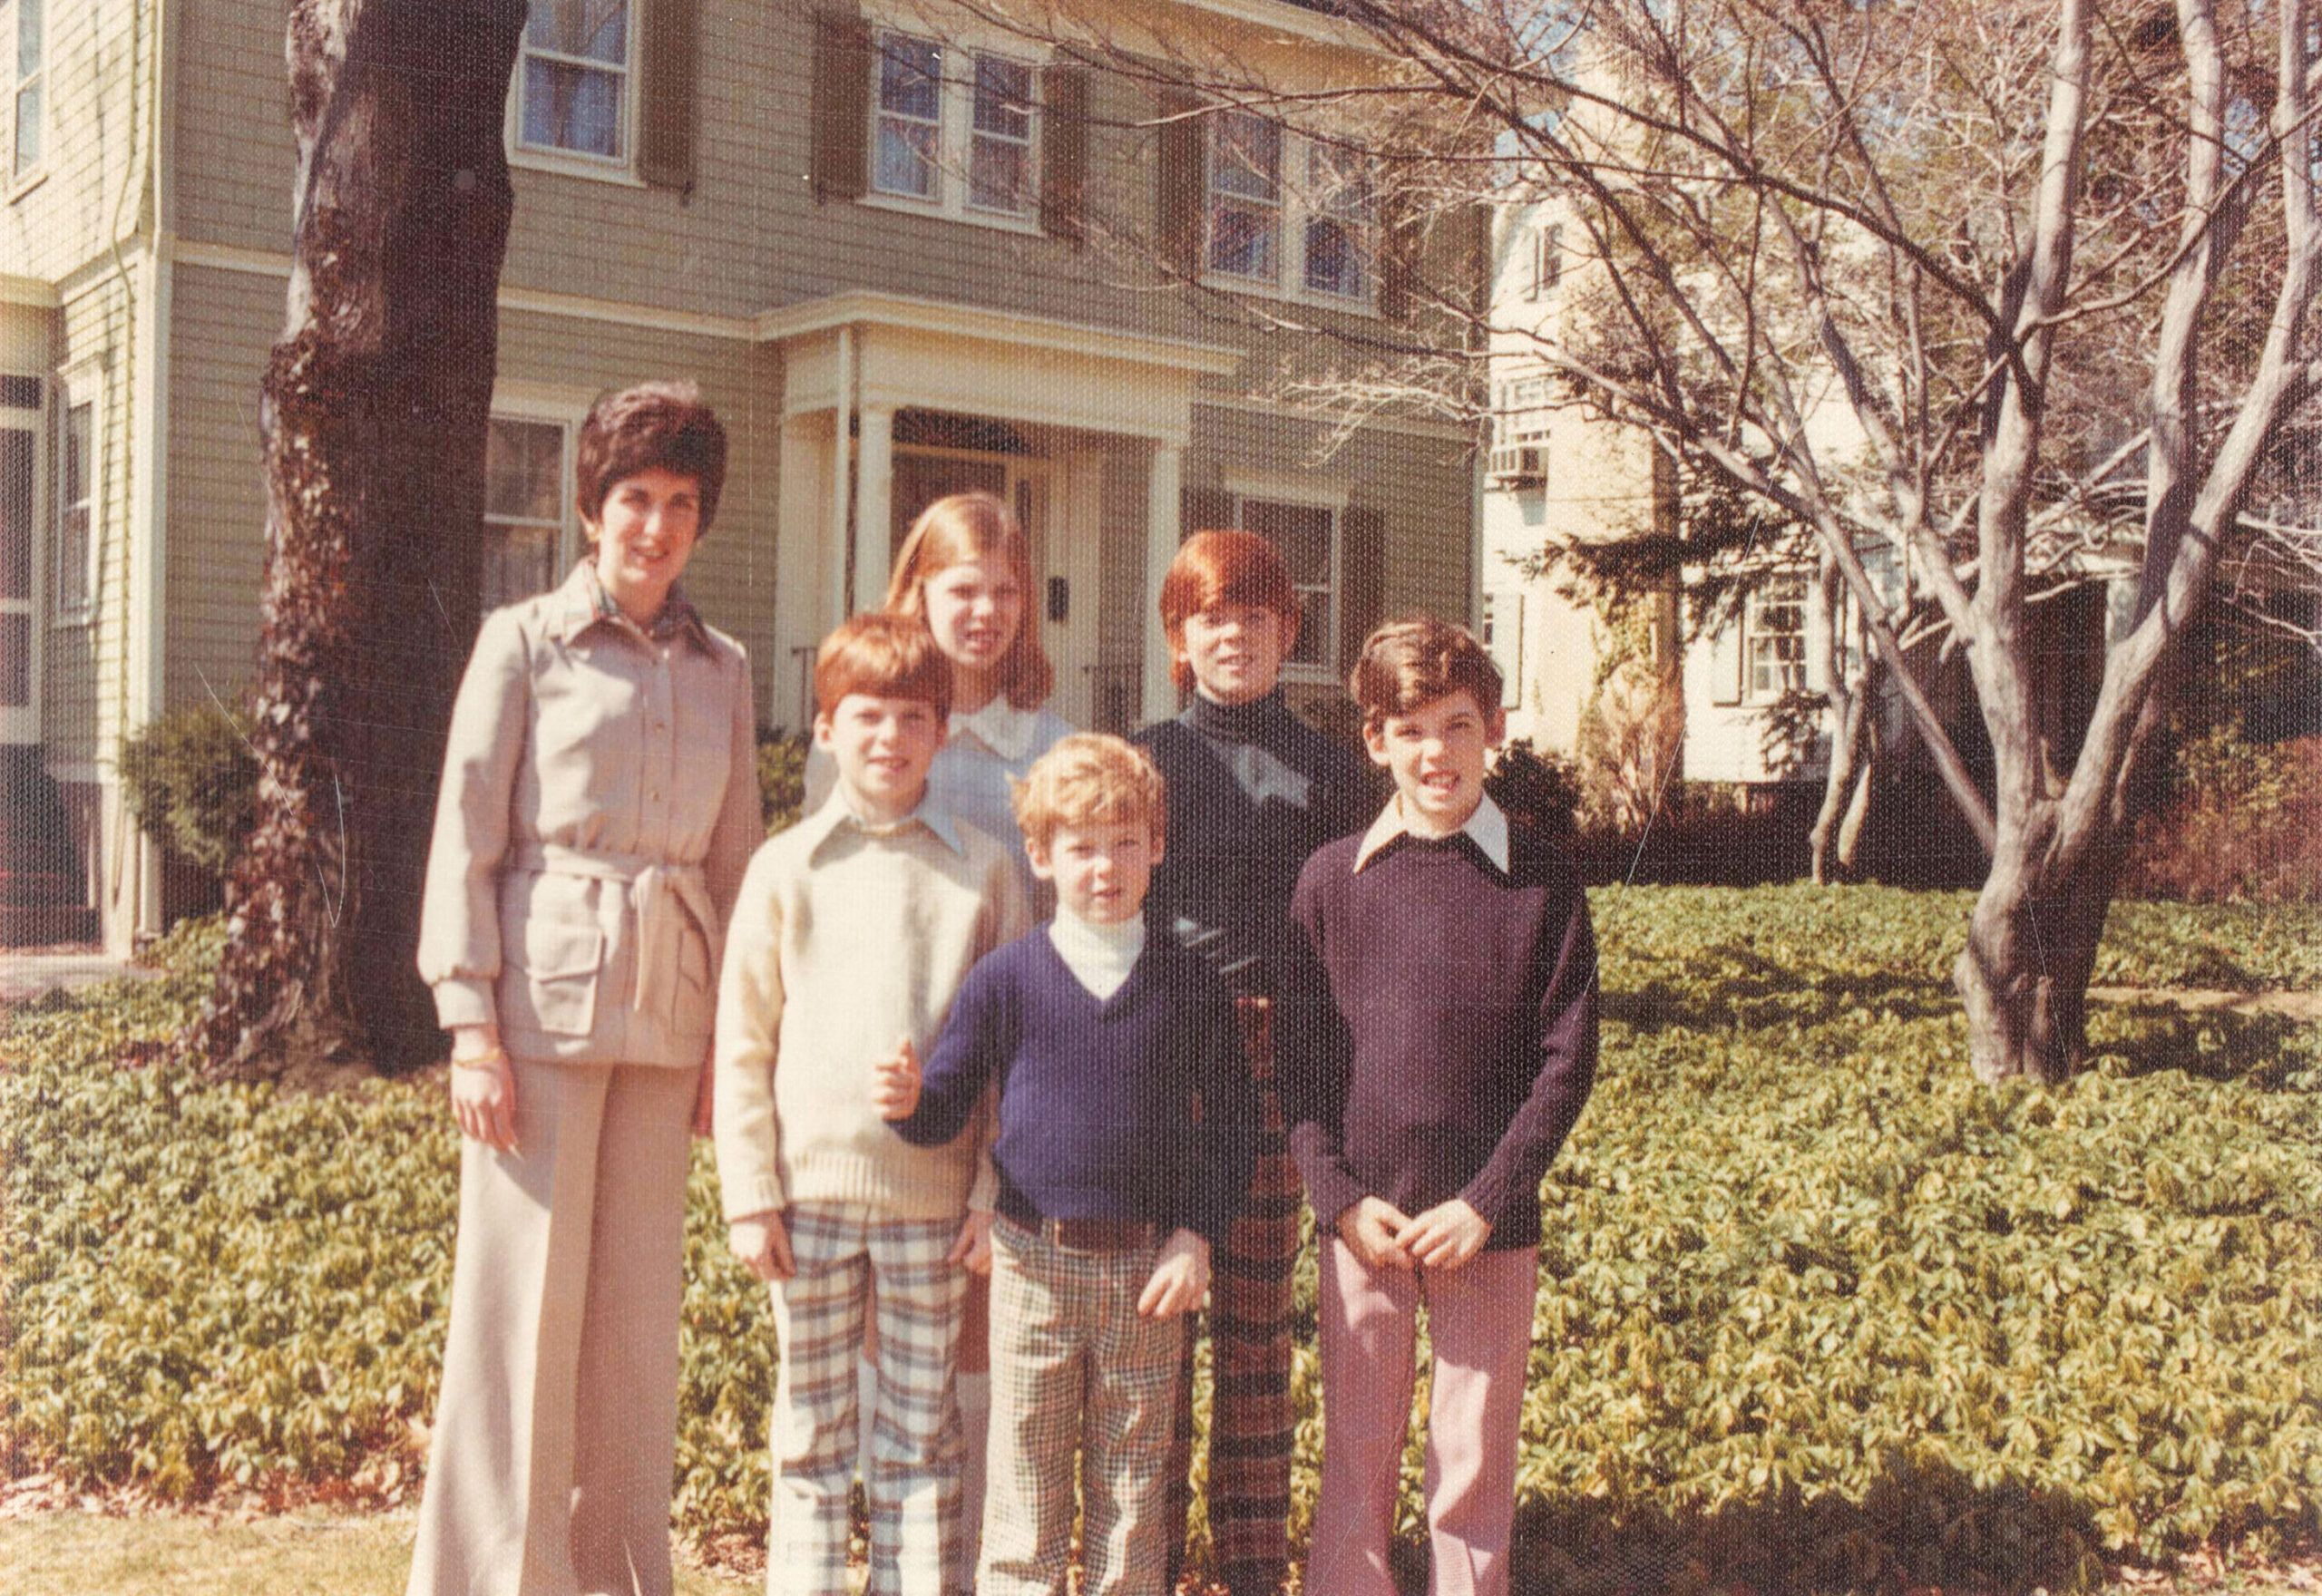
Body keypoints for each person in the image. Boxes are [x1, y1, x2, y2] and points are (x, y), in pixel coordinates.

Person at [409, 381, 760, 1596]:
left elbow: (737, 865)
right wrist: (470, 1028)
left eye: (677, 504)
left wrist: (731, 1048)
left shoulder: (725, 668)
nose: (653, 526)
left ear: (700, 522)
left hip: (668, 1022)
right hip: (536, 1018)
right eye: (632, 500)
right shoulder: (521, 643)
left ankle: (618, 1580)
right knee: (521, 1325)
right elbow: (466, 839)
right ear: (590, 508)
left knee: (630, 1335)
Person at [877, 734, 1255, 1596]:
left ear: (1158, 846)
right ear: (1041, 857)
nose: (1105, 868)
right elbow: (942, 1109)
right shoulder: (1006, 979)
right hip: (1030, 1262)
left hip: (1145, 1269)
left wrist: (1195, 1237)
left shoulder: (1190, 982)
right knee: (1025, 1481)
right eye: (1081, 848)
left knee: (1132, 1490)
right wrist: (906, 1105)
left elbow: (1232, 1124)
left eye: (1127, 843)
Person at [1282, 618, 1600, 1596]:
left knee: (1473, 1455)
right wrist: (1336, 1196)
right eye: (1410, 729)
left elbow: (1566, 1058)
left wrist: (1489, 1198)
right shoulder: (1332, 880)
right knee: (1358, 1450)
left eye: (1457, 726)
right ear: (1374, 739)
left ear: (1494, 727)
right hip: (1365, 1223)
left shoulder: (1541, 880)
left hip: (1487, 1224)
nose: (1436, 752)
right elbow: (1297, 1062)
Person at [714, 611, 1030, 1596]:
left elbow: (1013, 1057)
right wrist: (749, 1193)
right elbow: (743, 1044)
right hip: (804, 1206)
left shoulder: (983, 867)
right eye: (865, 716)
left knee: (919, 1438)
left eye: (910, 716)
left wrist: (989, 1190)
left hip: (932, 1211)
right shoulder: (784, 868)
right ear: (824, 729)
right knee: (809, 1433)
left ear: (941, 731)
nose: (888, 737)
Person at [804, 488, 1074, 1581]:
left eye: (1006, 591)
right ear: (915, 590)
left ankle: (963, 1561)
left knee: (982, 1324)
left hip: (1008, 1086)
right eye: (962, 588)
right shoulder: (870, 726)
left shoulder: (1044, 746)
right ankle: (894, 1552)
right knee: (885, 1328)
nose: (986, 611)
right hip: (886, 1086)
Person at [1128, 530, 1373, 1596]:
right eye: (1211, 617)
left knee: (1256, 1328)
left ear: (1289, 629)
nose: (1235, 634)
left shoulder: (1334, 770)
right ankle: (1139, 1559)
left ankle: (1253, 1564)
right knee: (1158, 1326)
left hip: (1285, 1062)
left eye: (1258, 616)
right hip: (1171, 1057)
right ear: (1179, 636)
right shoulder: (1144, 762)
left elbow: (1371, 927)